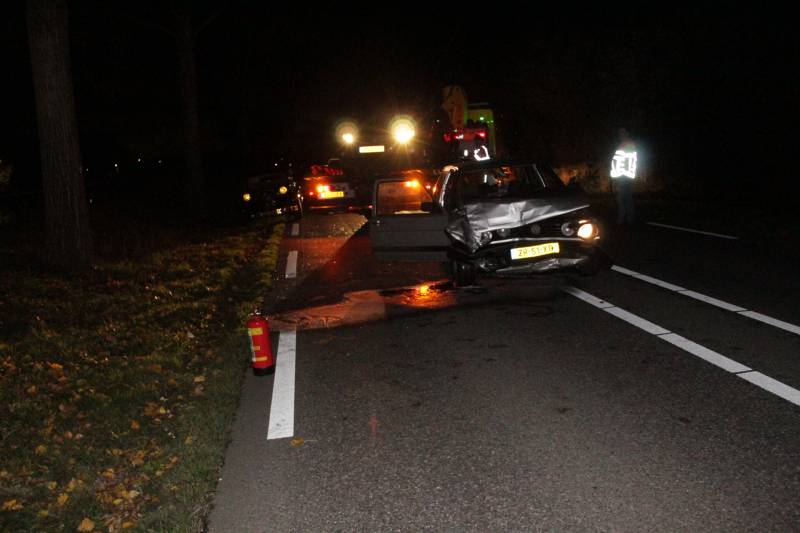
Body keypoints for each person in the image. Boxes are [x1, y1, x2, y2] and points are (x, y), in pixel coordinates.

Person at [610, 127, 637, 224]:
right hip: (622, 177)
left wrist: (620, 175)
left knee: (624, 199)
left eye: (623, 132)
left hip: (625, 176)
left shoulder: (628, 144)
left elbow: (628, 161)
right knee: (624, 199)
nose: (620, 134)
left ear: (627, 133)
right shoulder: (623, 145)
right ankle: (626, 219)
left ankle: (624, 220)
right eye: (620, 132)